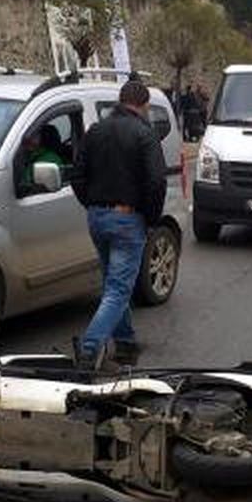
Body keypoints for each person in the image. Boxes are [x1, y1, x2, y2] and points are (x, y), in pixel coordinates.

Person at [69, 81, 166, 368]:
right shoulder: (145, 134)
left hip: (97, 217)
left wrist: (92, 204)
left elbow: (77, 175)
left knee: (113, 281)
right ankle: (89, 349)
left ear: (120, 100)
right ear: (144, 104)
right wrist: (150, 217)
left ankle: (125, 342)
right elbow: (156, 181)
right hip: (128, 218)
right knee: (118, 289)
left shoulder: (95, 131)